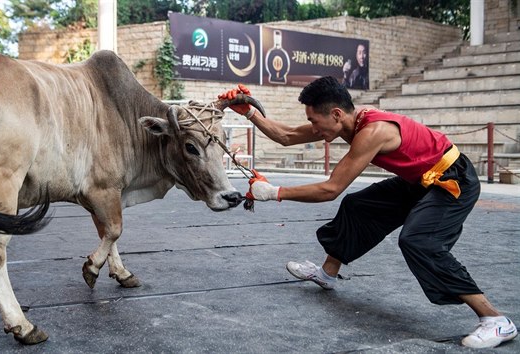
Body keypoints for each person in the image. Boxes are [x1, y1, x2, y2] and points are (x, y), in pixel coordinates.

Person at [218, 77, 517, 349]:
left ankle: (495, 320)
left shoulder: (372, 132)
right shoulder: (347, 121)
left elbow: (330, 189)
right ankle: (327, 273)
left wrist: (273, 192)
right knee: (357, 205)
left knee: (419, 242)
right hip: (420, 180)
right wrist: (249, 112)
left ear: (336, 114)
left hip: (453, 180)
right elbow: (285, 136)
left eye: (314, 121)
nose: (313, 128)